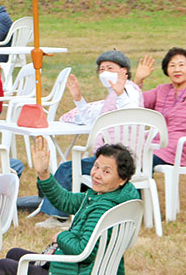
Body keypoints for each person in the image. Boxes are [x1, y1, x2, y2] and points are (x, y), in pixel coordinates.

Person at [0, 138, 140, 275]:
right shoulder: (112, 198)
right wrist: (43, 173)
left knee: (5, 268)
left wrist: (61, 236)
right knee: (14, 254)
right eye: (96, 166)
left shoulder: (102, 208)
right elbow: (65, 200)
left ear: (122, 178)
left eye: (106, 171)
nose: (97, 174)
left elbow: (83, 249)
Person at [38, 49, 145, 226]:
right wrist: (78, 99)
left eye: (109, 68)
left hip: (119, 158)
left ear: (123, 72)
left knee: (66, 169)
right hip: (114, 157)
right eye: (101, 69)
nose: (104, 73)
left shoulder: (128, 91)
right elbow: (90, 117)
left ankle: (58, 216)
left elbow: (131, 111)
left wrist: (120, 94)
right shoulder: (113, 95)